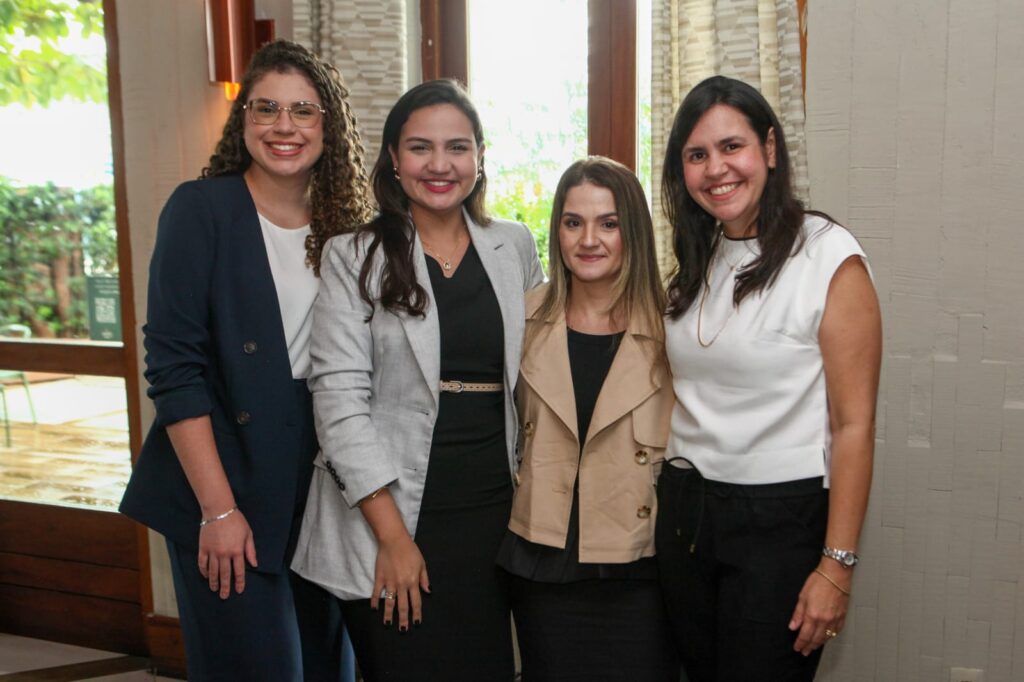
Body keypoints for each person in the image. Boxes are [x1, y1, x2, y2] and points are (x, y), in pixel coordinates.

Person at [119, 40, 372, 681]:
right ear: (244, 121)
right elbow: (174, 370)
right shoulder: (201, 210)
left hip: (316, 487)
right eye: (266, 108)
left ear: (328, 126)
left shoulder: (348, 227)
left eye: (303, 111)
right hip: (222, 474)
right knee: (260, 670)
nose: (283, 126)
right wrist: (219, 510)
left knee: (326, 670)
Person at [290, 79, 544, 682]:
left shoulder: (514, 246)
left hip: (491, 516)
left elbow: (539, 372)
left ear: (480, 159)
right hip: (391, 514)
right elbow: (339, 405)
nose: (439, 164)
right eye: (420, 147)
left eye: (457, 147)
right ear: (394, 160)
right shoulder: (355, 255)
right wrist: (394, 538)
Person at [655, 75, 882, 681]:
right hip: (685, 513)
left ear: (771, 150)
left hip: (779, 524)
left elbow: (855, 425)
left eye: (732, 147)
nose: (716, 169)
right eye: (697, 155)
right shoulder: (695, 259)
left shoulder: (829, 256)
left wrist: (836, 565)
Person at [495, 157, 680, 681]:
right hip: (545, 564)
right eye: (574, 222)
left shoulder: (675, 330)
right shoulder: (520, 319)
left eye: (609, 223)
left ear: (634, 232)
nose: (588, 239)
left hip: (640, 570)